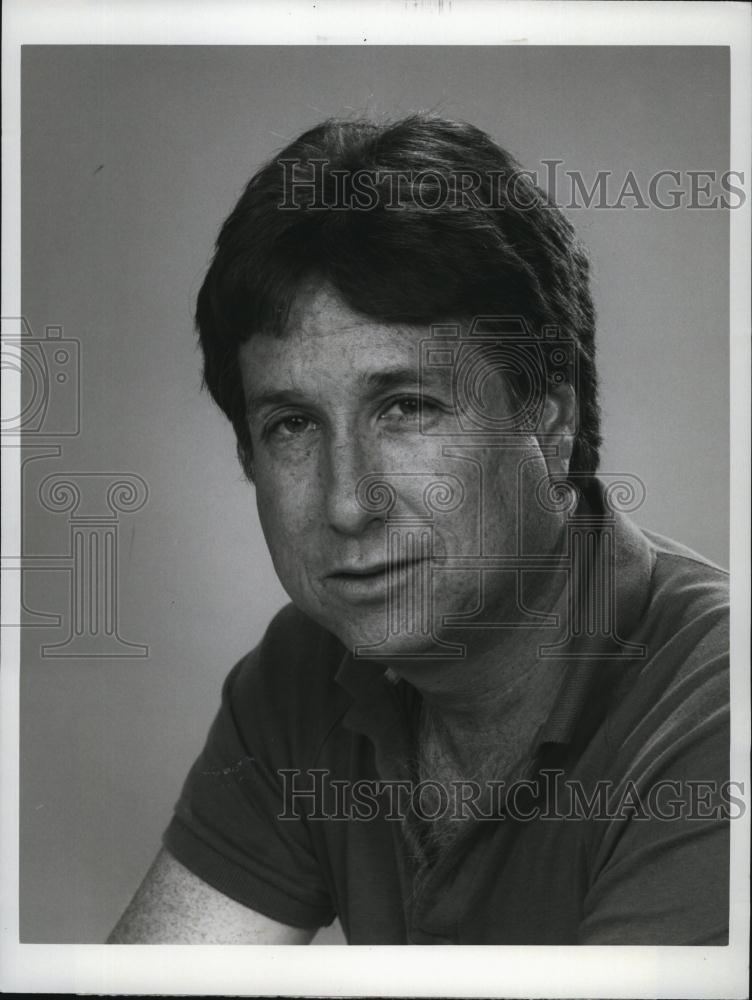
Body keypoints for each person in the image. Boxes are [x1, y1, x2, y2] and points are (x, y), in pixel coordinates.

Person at [108, 115, 730, 945]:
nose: (345, 504)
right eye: (293, 424)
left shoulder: (721, 713)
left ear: (550, 421)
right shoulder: (305, 676)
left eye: (407, 408)